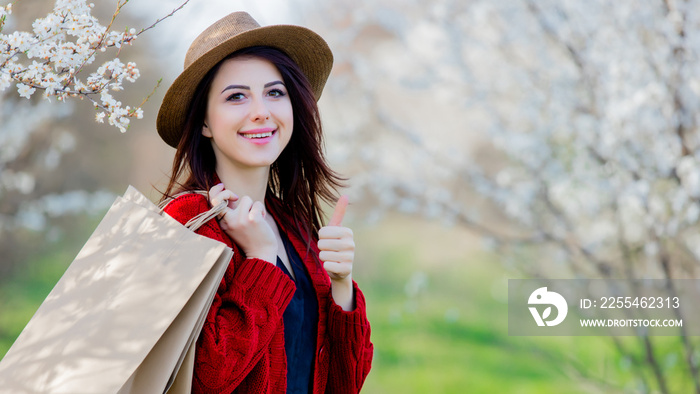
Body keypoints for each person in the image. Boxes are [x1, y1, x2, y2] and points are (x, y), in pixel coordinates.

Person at [156, 11, 374, 394]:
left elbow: (343, 383)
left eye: (275, 92)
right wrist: (259, 260)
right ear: (204, 122)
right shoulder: (185, 223)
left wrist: (341, 286)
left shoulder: (292, 223)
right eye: (236, 96)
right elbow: (206, 381)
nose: (261, 111)